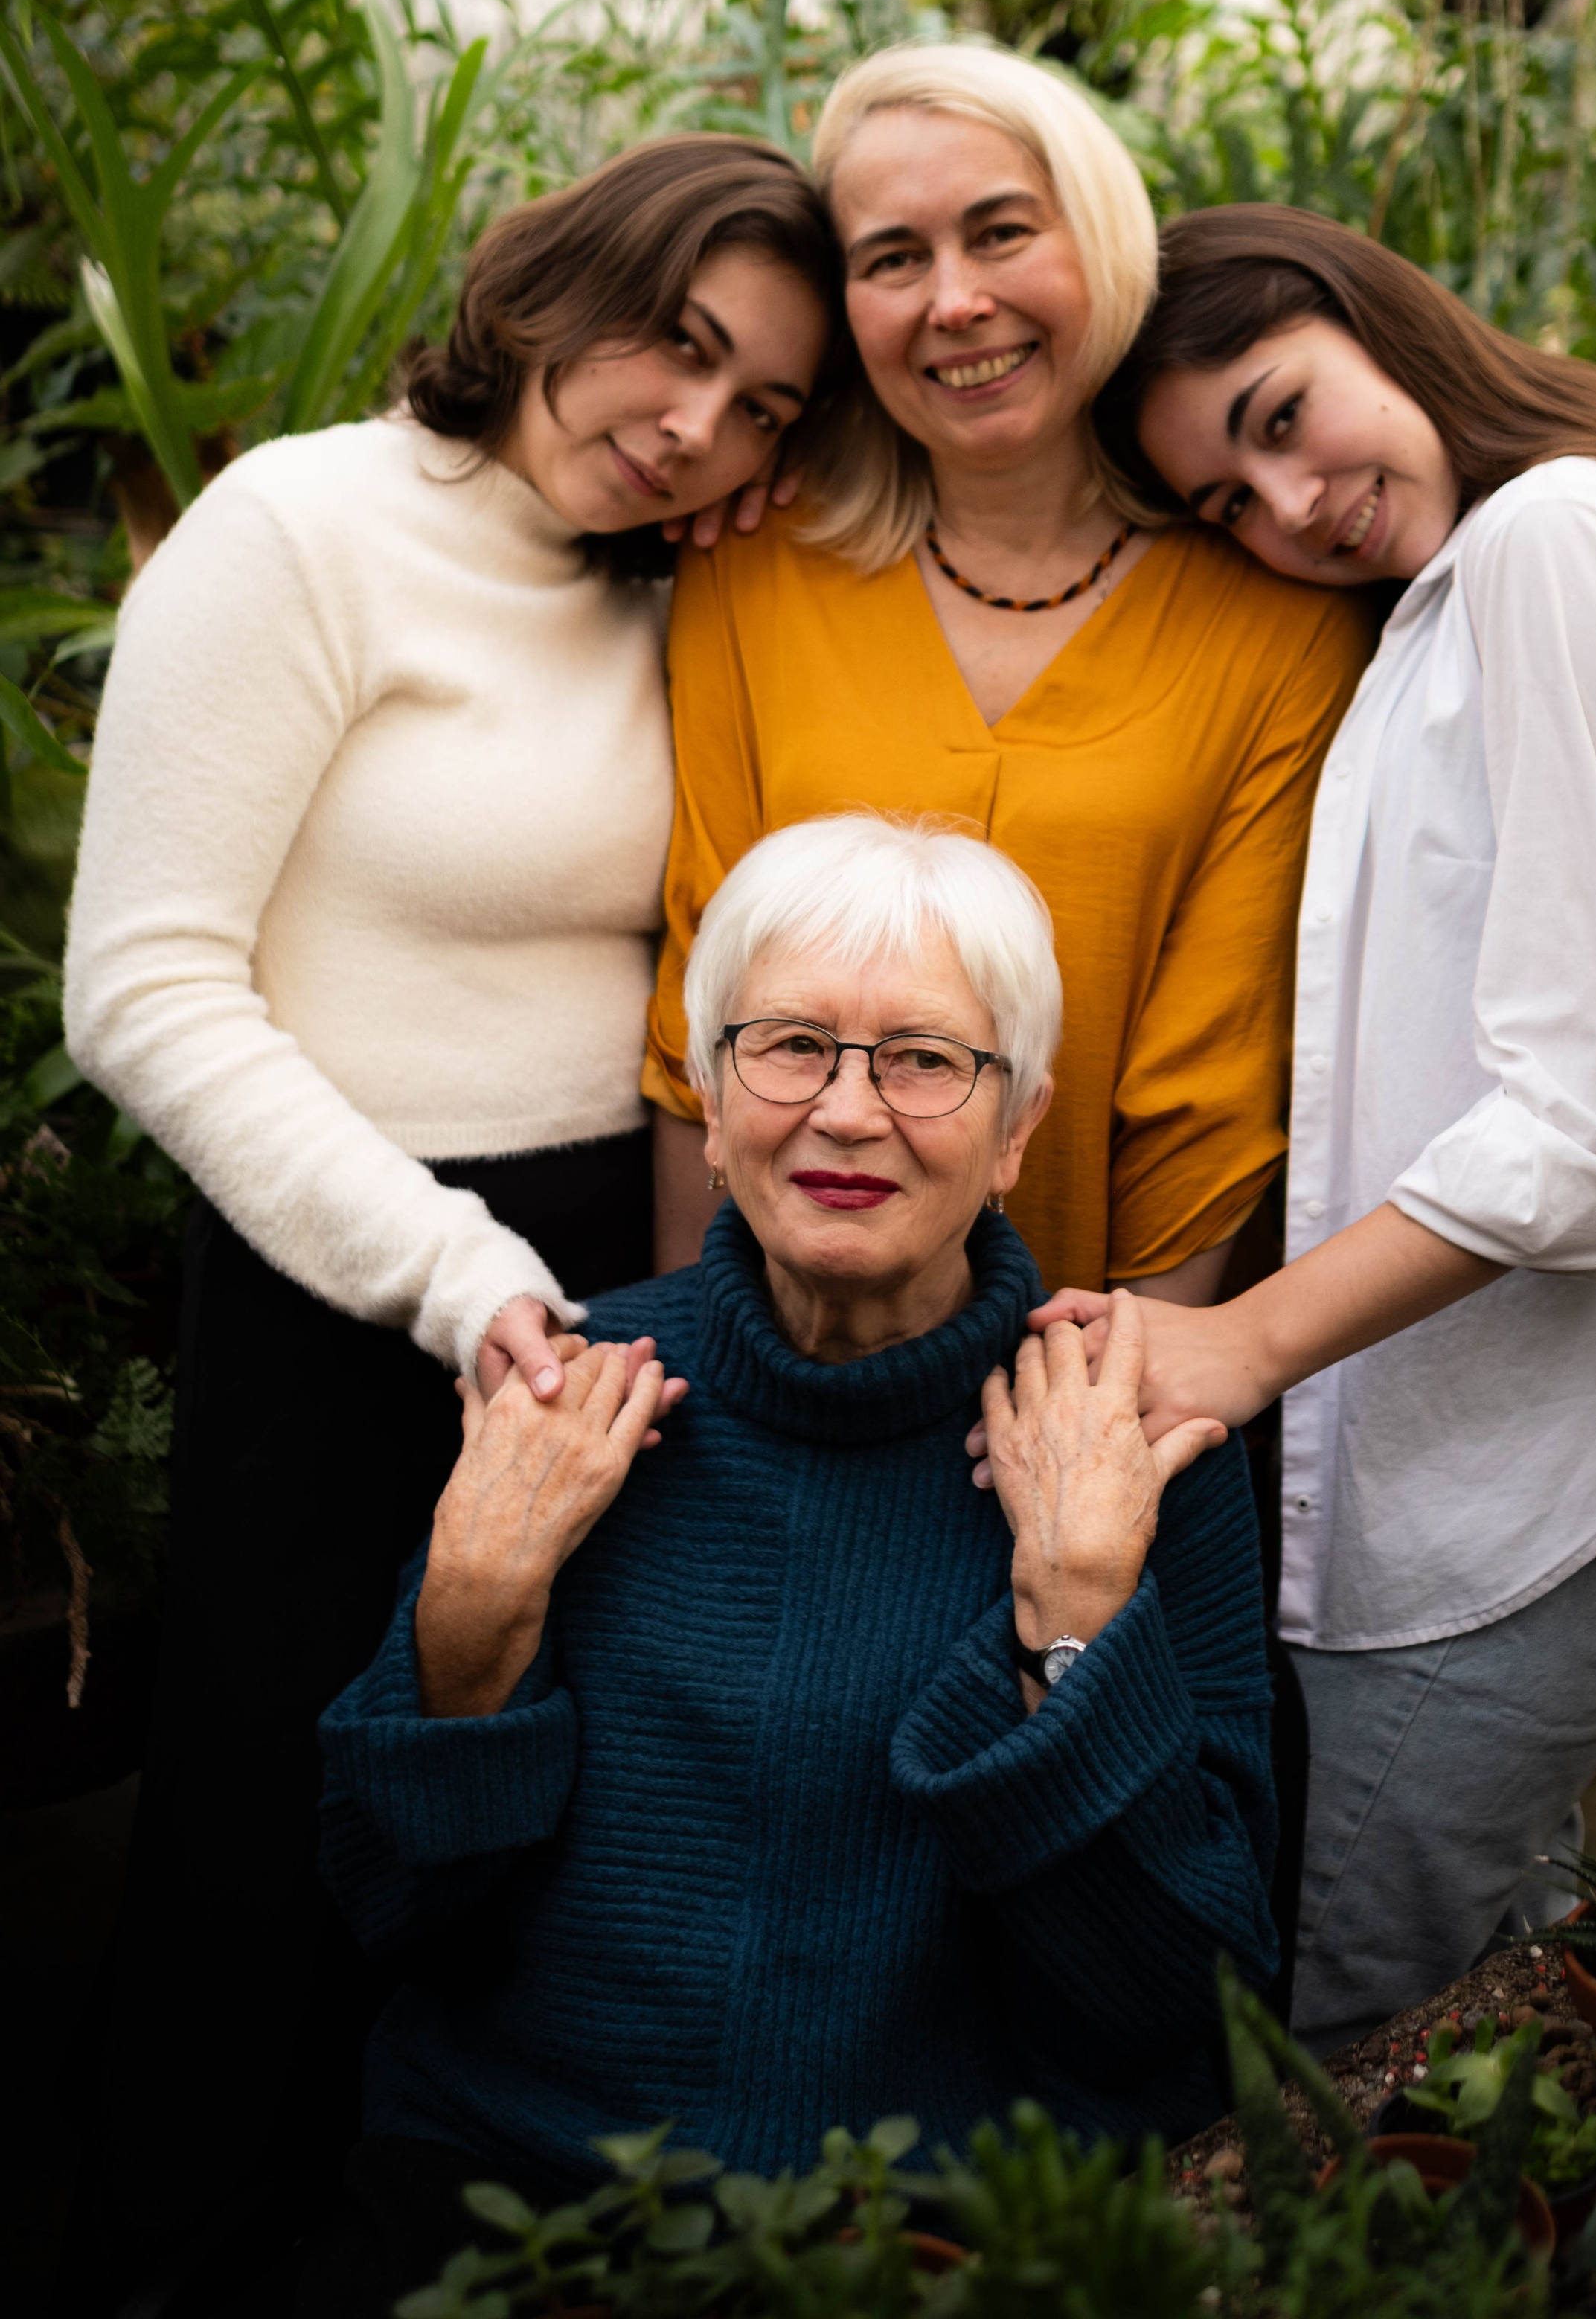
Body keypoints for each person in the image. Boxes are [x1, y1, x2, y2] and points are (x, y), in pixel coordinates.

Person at [58, 136, 840, 2318]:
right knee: (270, 1832)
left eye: (769, 400)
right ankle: (173, 2260)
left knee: (529, 1842)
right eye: (682, 345)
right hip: (353, 1270)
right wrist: (449, 1269)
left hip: (616, 1275)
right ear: (554, 279)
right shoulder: (303, 528)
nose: (699, 423)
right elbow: (141, 984)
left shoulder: (672, 579)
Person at [1028, 202, 1596, 2056]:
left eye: (1276, 415)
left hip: (1536, 1462)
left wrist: (1235, 1345)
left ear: (1372, 318)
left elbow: (1587, 1121)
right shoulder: (1470, 580)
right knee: (1496, 1994)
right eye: (1227, 502)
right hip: (1485, 1438)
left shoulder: (1554, 543)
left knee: (1355, 2027)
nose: (1287, 504)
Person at [298, 816, 1277, 2319]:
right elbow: (385, 1913)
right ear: (706, 1091)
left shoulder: (1128, 1445)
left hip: (951, 2235)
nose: (844, 1111)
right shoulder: (573, 1393)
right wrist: (472, 1616)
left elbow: (1183, 2010)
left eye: (923, 1061)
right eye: (789, 1046)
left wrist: (1075, 1618)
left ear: (1018, 1125)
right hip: (530, 2198)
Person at [644, 45, 1368, 1302]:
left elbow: (1217, 1075)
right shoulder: (757, 562)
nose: (955, 301)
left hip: (1102, 1336)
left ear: (1100, 236)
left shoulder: (1275, 611)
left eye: (1002, 233)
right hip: (774, 1333)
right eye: (893, 259)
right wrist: (698, 1370)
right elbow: (697, 1001)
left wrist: (1124, 1403)